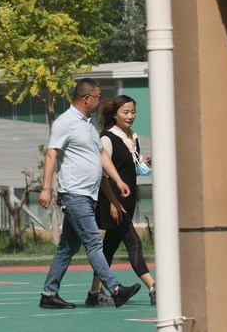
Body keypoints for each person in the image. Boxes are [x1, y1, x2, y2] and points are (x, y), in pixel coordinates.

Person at [38, 78, 142, 310]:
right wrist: (46, 188)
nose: (99, 100)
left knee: (68, 247)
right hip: (73, 193)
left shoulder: (89, 123)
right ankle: (115, 289)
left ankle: (49, 293)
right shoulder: (64, 123)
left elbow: (102, 154)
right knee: (94, 242)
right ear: (86, 98)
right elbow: (51, 155)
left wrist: (117, 180)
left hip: (89, 194)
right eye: (97, 96)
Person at [85, 95, 156, 307]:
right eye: (125, 112)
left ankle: (94, 293)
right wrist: (114, 202)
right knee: (133, 241)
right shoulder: (107, 137)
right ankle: (153, 287)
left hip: (127, 199)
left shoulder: (132, 137)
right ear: (114, 114)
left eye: (133, 112)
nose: (130, 116)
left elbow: (130, 169)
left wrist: (144, 164)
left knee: (108, 248)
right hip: (113, 201)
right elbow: (103, 173)